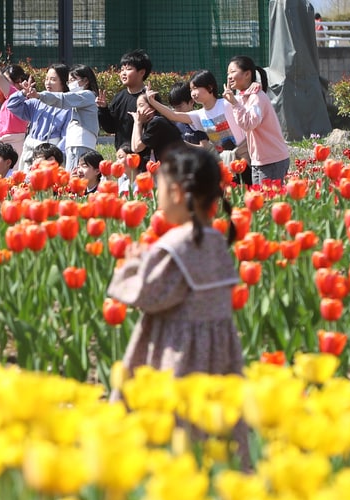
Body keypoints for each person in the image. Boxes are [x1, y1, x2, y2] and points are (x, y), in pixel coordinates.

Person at [105, 145, 244, 414]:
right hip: (219, 350)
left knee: (176, 418)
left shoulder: (174, 247)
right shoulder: (217, 240)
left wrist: (134, 265)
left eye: (160, 188)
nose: (157, 194)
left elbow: (147, 295)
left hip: (178, 351)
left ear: (177, 194)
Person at [223, 56, 291, 184]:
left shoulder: (256, 97)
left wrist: (234, 103)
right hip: (259, 160)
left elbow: (248, 124)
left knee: (269, 202)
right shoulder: (244, 96)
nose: (229, 77)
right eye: (228, 73)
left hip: (272, 160)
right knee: (262, 201)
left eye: (233, 72)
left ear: (247, 74)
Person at [28, 64, 100, 171]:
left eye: (73, 80)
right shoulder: (80, 98)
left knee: (75, 175)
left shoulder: (87, 95)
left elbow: (63, 98)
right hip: (75, 143)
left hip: (80, 143)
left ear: (85, 81)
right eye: (69, 81)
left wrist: (39, 95)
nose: (70, 84)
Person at [5, 64, 70, 168]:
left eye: (53, 79)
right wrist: (23, 93)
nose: (48, 82)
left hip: (50, 156)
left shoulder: (68, 107)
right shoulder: (37, 102)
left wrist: (55, 156)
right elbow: (12, 105)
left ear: (63, 82)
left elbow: (66, 137)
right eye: (46, 79)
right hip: (31, 153)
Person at [97, 49, 153, 163]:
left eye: (128, 69)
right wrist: (103, 109)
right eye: (122, 69)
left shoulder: (150, 98)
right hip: (122, 156)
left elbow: (154, 129)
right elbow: (110, 128)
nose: (123, 73)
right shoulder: (119, 97)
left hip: (144, 157)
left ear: (142, 72)